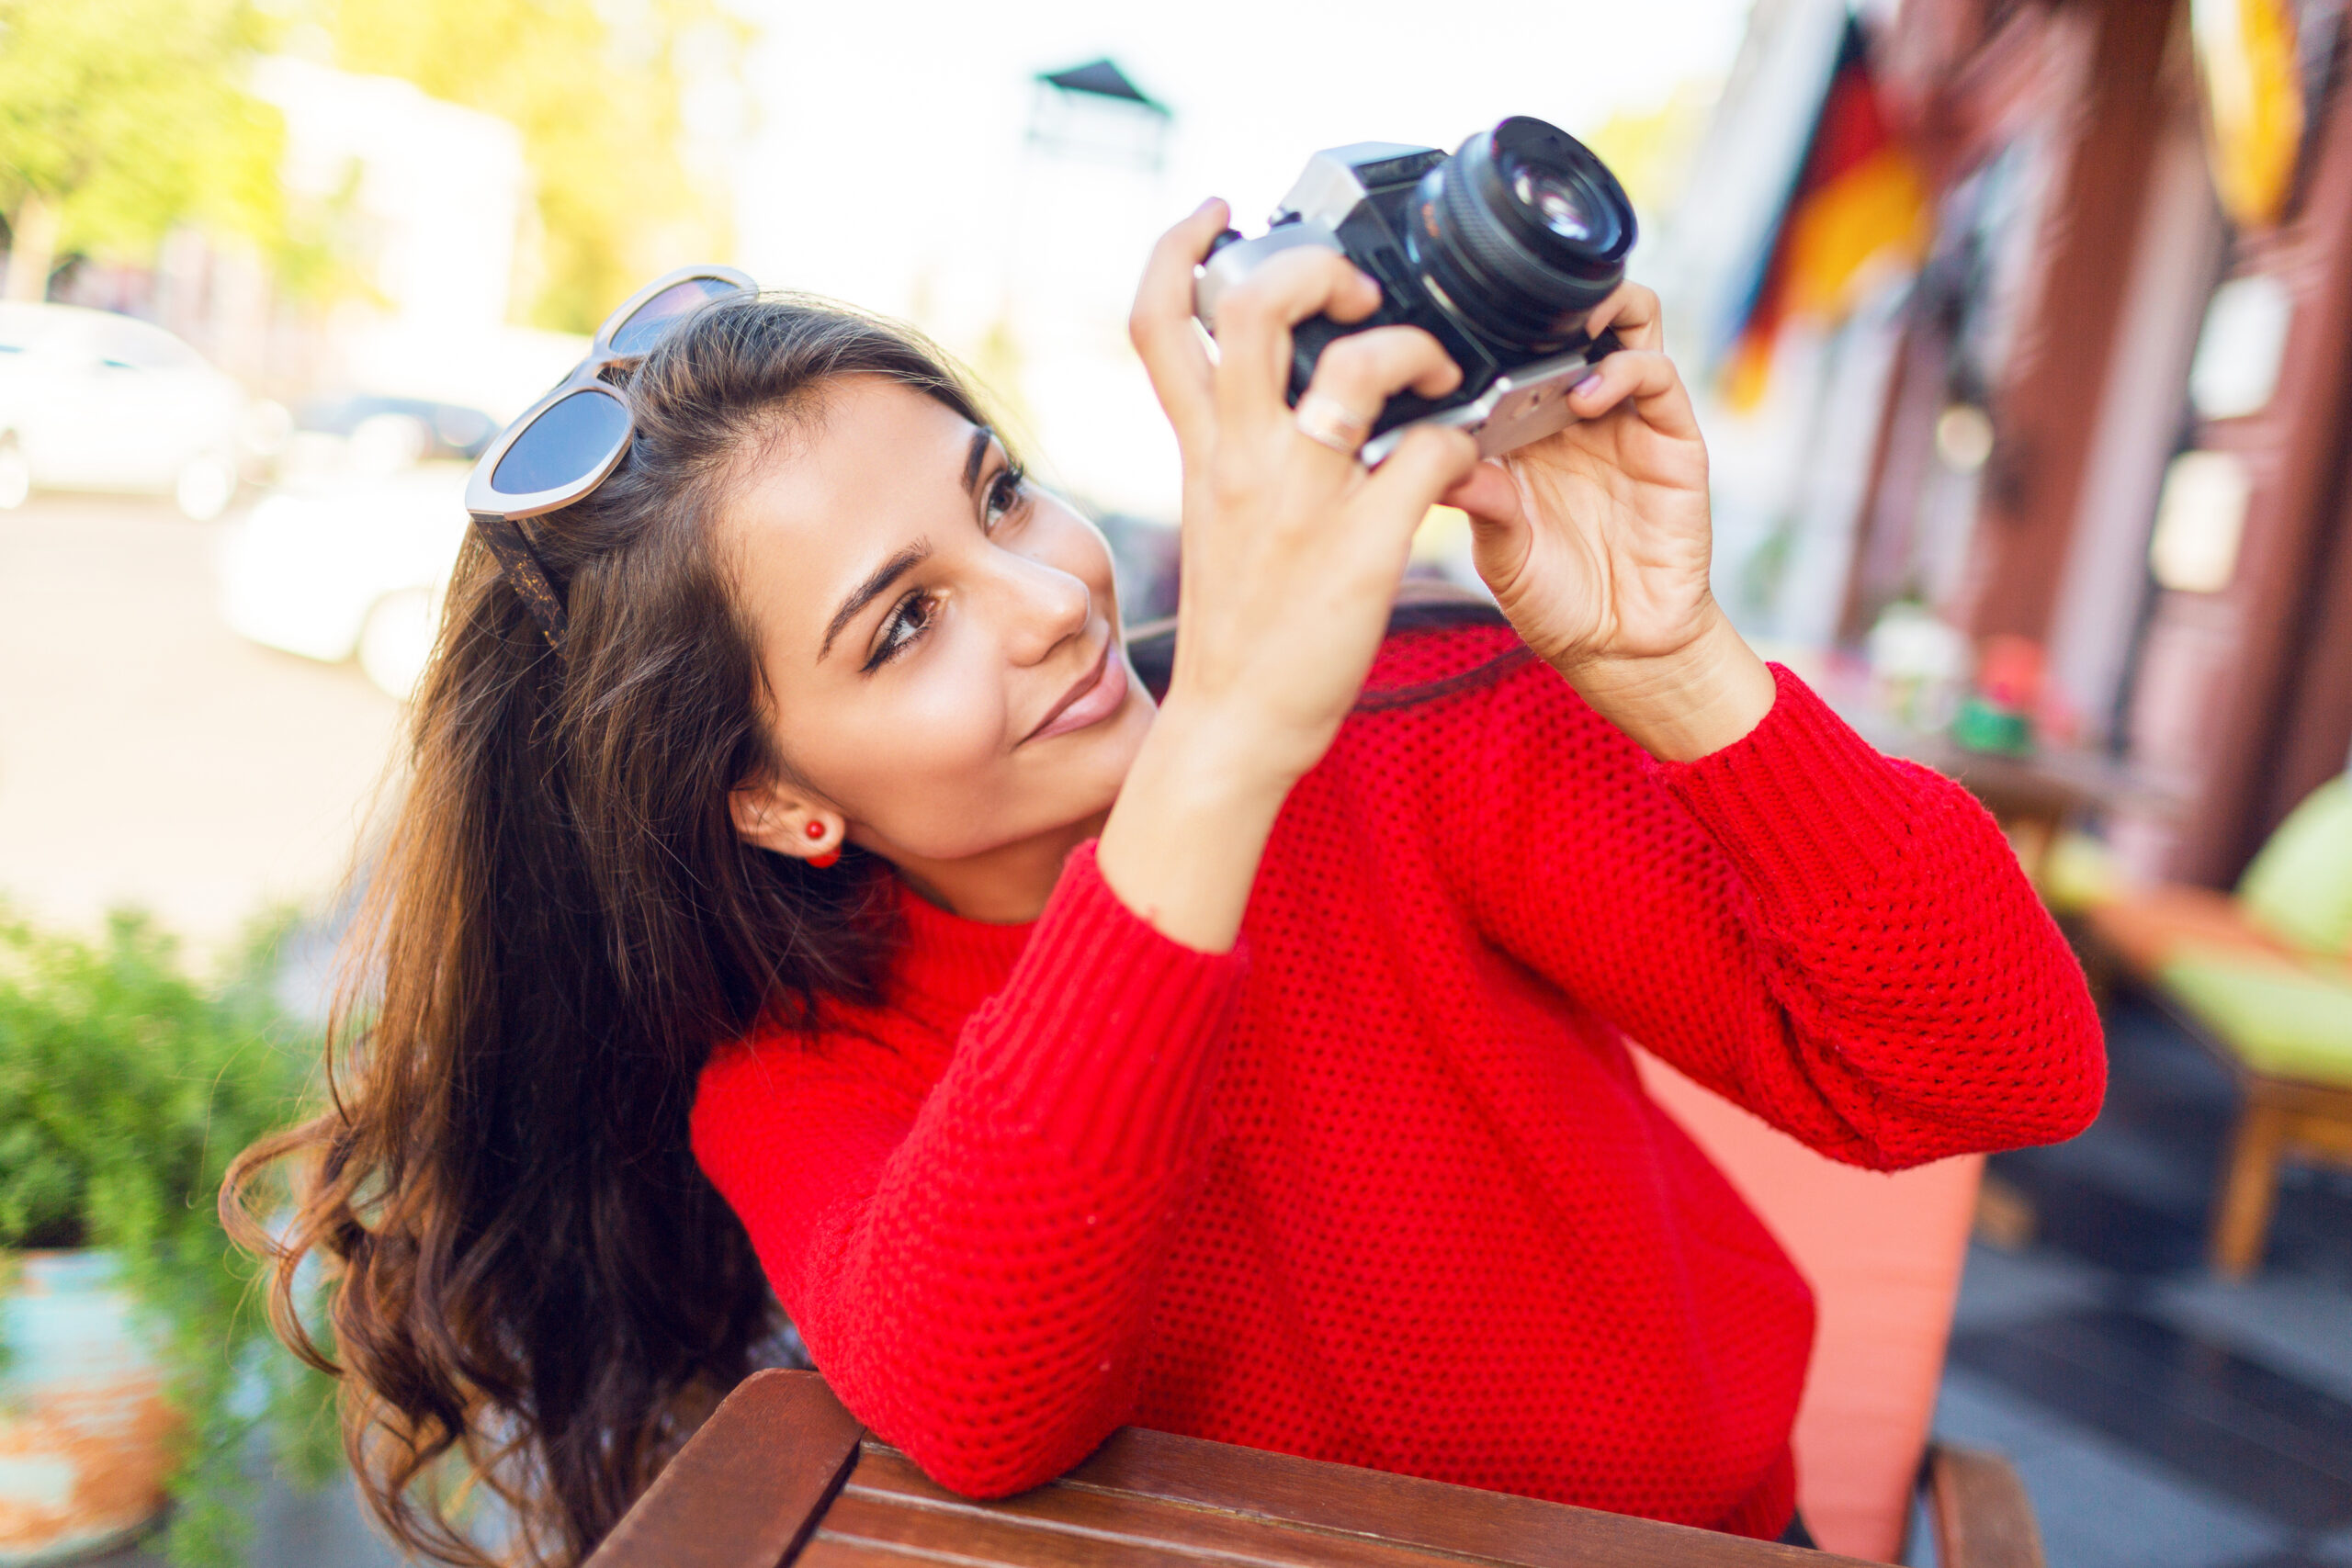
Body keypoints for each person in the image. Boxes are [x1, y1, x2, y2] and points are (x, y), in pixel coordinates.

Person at [227, 200, 2103, 1568]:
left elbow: (1992, 1070)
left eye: (1002, 492)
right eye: (903, 626)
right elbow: (979, 1394)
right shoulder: (798, 1066)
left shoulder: (1408, 736)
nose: (1051, 595)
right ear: (777, 799)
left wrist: (1678, 657)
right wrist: (1221, 754)